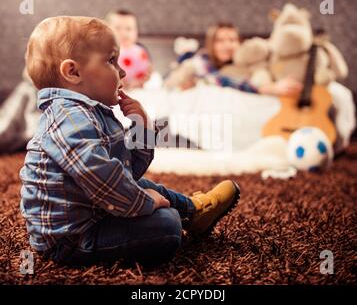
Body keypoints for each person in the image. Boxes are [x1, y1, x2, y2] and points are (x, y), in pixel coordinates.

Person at [19, 16, 240, 266]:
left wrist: (141, 126)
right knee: (167, 225)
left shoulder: (92, 113)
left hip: (94, 209)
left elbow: (128, 171)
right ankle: (182, 215)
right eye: (112, 61)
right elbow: (103, 178)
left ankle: (194, 211)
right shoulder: (69, 117)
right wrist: (145, 202)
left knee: (143, 184)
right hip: (71, 239)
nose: (122, 71)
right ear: (73, 72)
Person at [165, 22, 303, 96]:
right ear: (211, 44)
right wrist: (267, 89)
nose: (227, 45)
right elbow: (218, 79)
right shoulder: (202, 60)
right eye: (220, 40)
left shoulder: (246, 64)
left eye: (232, 40)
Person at [105, 10, 152, 89]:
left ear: (136, 32)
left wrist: (142, 80)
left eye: (129, 29)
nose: (124, 33)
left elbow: (148, 70)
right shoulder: (103, 51)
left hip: (135, 88)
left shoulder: (141, 51)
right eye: (118, 28)